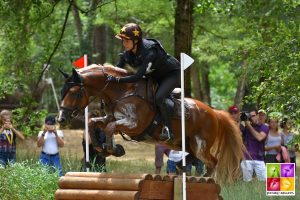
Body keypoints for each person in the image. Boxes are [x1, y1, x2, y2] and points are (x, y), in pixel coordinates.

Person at [107, 23, 181, 141]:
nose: (123, 44)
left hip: (170, 74)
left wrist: (117, 80)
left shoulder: (150, 51)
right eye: (123, 40)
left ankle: (168, 130)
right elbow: (117, 70)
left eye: (126, 41)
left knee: (159, 98)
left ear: (135, 41)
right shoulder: (127, 53)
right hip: (154, 75)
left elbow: (137, 77)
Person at [241, 109, 269, 182]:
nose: (251, 117)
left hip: (259, 158)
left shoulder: (264, 127)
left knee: (264, 182)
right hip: (247, 158)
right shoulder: (246, 127)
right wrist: (238, 121)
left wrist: (248, 125)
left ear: (257, 116)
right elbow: (238, 135)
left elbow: (259, 137)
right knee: (247, 182)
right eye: (249, 116)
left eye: (253, 116)